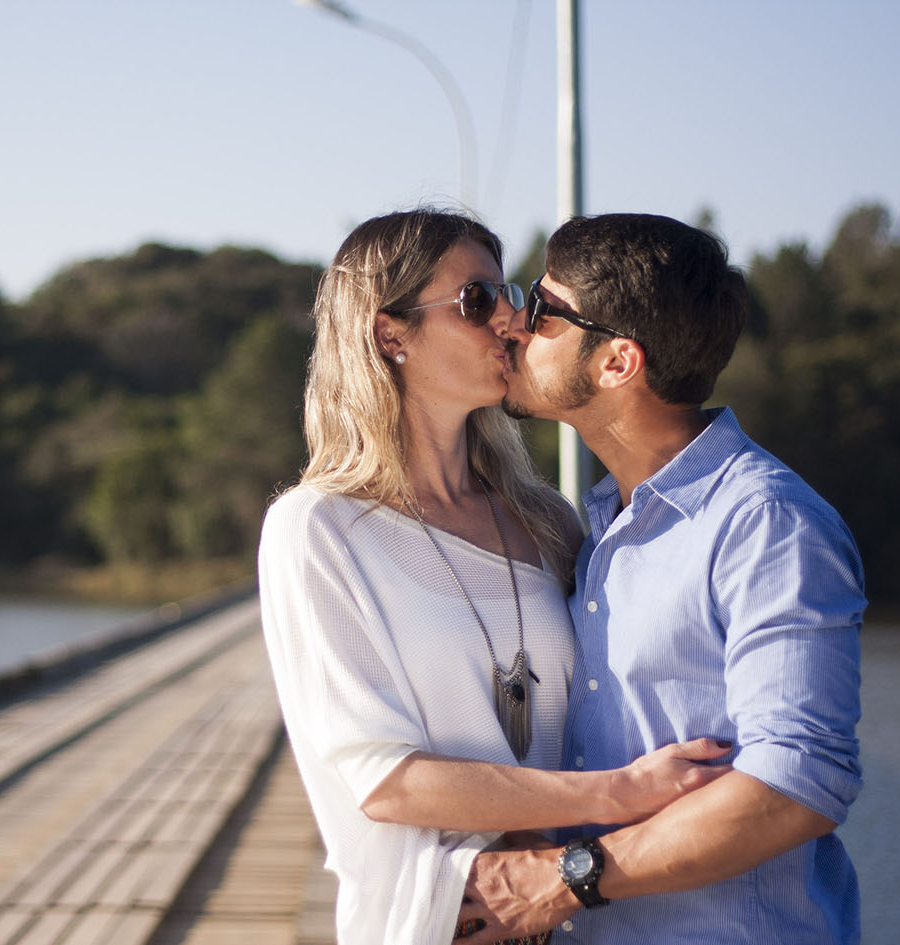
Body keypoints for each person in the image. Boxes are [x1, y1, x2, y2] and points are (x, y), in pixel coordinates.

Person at [257, 209, 730, 945]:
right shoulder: (319, 528)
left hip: (570, 916)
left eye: (508, 295)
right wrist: (618, 793)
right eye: (475, 300)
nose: (511, 320)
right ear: (390, 335)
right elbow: (384, 781)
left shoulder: (547, 521)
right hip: (433, 922)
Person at [458, 213, 865, 943]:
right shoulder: (600, 525)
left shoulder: (766, 522)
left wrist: (562, 879)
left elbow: (799, 781)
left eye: (544, 310)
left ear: (617, 361)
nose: (515, 324)